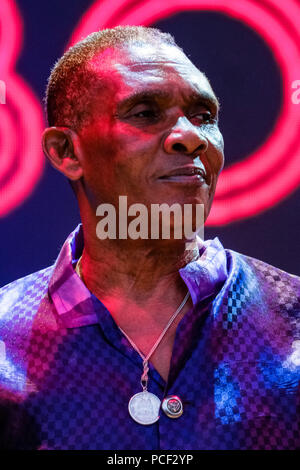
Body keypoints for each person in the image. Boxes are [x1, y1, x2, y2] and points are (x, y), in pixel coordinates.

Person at [0, 26, 299, 450]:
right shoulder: (4, 344)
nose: (191, 137)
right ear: (66, 152)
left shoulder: (293, 323)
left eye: (204, 116)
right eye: (144, 113)